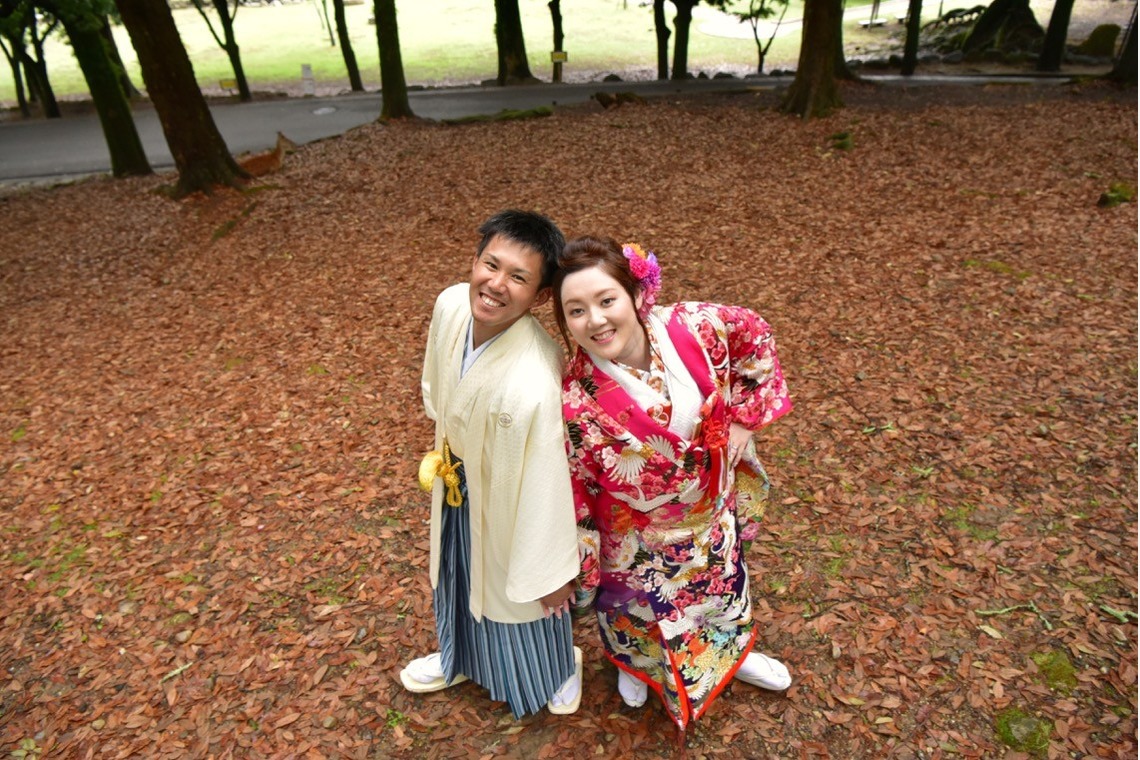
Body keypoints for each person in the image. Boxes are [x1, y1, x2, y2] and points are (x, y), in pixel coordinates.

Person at [553, 236, 793, 730]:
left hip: (709, 511)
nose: (595, 320)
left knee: (721, 593)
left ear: (636, 293)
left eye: (606, 300)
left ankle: (731, 656)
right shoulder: (576, 394)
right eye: (576, 311)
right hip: (635, 533)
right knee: (639, 614)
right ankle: (639, 668)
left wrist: (744, 422)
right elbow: (580, 482)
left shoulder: (694, 326)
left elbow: (757, 336)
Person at [401, 210, 583, 718]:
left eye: (519, 277)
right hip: (458, 478)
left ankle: (555, 668)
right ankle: (457, 657)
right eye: (490, 264)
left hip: (512, 497)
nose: (495, 285)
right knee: (457, 569)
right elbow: (441, 390)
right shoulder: (451, 305)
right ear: (475, 258)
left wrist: (551, 570)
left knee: (519, 588)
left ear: (541, 295)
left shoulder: (535, 372)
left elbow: (546, 477)